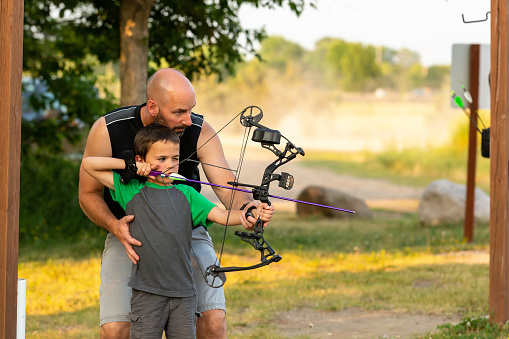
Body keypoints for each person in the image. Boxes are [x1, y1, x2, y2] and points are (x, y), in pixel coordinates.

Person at [79, 68, 275, 339]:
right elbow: (88, 193)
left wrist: (248, 209)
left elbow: (227, 186)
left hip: (186, 232)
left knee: (213, 320)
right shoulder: (109, 129)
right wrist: (115, 226)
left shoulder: (197, 130)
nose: (188, 119)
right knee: (116, 330)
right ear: (153, 107)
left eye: (191, 110)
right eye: (179, 112)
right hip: (129, 234)